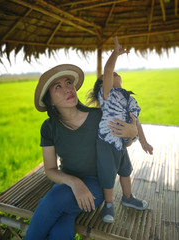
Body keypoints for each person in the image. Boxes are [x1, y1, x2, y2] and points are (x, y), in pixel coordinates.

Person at [25, 63, 140, 240]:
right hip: (66, 183)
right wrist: (74, 182)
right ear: (50, 101)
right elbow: (50, 169)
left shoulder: (99, 117)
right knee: (59, 231)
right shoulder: (48, 127)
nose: (67, 89)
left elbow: (122, 144)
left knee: (52, 201)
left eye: (68, 82)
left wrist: (133, 135)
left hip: (96, 186)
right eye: (58, 87)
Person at [87, 37, 153, 223]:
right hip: (107, 142)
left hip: (122, 143)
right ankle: (109, 203)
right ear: (102, 87)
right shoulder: (107, 95)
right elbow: (107, 70)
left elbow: (136, 121)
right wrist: (115, 53)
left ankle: (128, 197)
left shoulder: (129, 98)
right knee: (108, 174)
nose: (114, 73)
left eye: (117, 73)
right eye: (109, 77)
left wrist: (143, 141)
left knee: (125, 170)